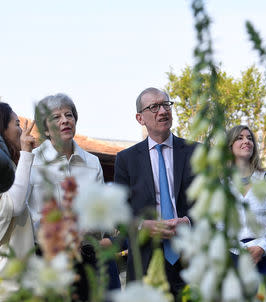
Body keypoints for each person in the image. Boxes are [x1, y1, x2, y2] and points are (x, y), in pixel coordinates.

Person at [28, 94, 120, 299]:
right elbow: (27, 213)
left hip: (88, 257)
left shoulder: (92, 162)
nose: (64, 120)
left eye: (68, 115)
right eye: (56, 117)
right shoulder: (31, 162)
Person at [114, 87, 197, 297]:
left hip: (191, 258)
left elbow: (211, 206)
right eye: (154, 107)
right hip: (145, 261)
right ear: (140, 118)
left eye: (166, 105)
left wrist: (188, 221)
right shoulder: (126, 160)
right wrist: (142, 226)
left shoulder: (195, 152)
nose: (163, 111)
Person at [226, 125, 266, 301]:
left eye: (250, 138)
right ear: (230, 147)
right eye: (240, 138)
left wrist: (262, 247)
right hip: (236, 259)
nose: (246, 141)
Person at [0, 102, 36, 300]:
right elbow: (14, 205)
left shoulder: (12, 165)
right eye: (16, 123)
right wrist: (26, 153)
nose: (21, 129)